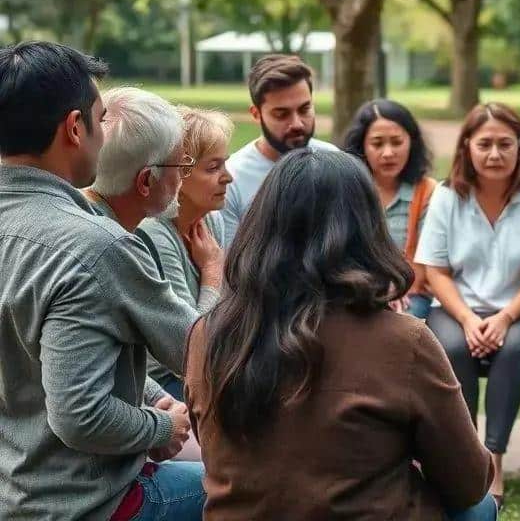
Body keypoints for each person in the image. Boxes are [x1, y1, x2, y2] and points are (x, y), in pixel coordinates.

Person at [186, 148, 497, 521]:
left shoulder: (208, 334)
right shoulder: (404, 341)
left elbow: (215, 449)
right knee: (477, 508)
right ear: (367, 231)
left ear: (259, 228)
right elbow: (469, 481)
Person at [0, 42, 204, 519]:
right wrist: (159, 428)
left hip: (12, 490)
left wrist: (152, 397)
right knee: (256, 489)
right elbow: (81, 414)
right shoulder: (95, 245)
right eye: (100, 116)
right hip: (86, 503)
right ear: (75, 128)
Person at [416, 103, 520, 506]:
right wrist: (467, 319)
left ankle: (494, 460)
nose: (494, 154)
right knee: (450, 348)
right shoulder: (448, 195)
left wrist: (504, 317)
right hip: (455, 307)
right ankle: (462, 459)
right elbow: (435, 270)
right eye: (484, 144)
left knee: (510, 350)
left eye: (505, 144)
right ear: (467, 146)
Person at [139, 106, 233, 400]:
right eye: (213, 168)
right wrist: (213, 273)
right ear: (180, 174)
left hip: (209, 368)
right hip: (164, 385)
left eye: (225, 165)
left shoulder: (210, 218)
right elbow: (190, 345)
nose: (228, 177)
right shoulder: (155, 232)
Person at [221, 54, 339, 247]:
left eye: (304, 109)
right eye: (281, 114)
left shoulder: (335, 160)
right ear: (256, 114)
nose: (296, 123)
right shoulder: (231, 179)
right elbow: (230, 268)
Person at [343, 99, 435, 319]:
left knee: (403, 326)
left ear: (411, 143)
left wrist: (397, 290)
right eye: (377, 143)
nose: (388, 153)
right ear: (362, 146)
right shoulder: (347, 189)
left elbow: (425, 264)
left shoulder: (427, 192)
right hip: (355, 291)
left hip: (411, 294)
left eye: (396, 142)